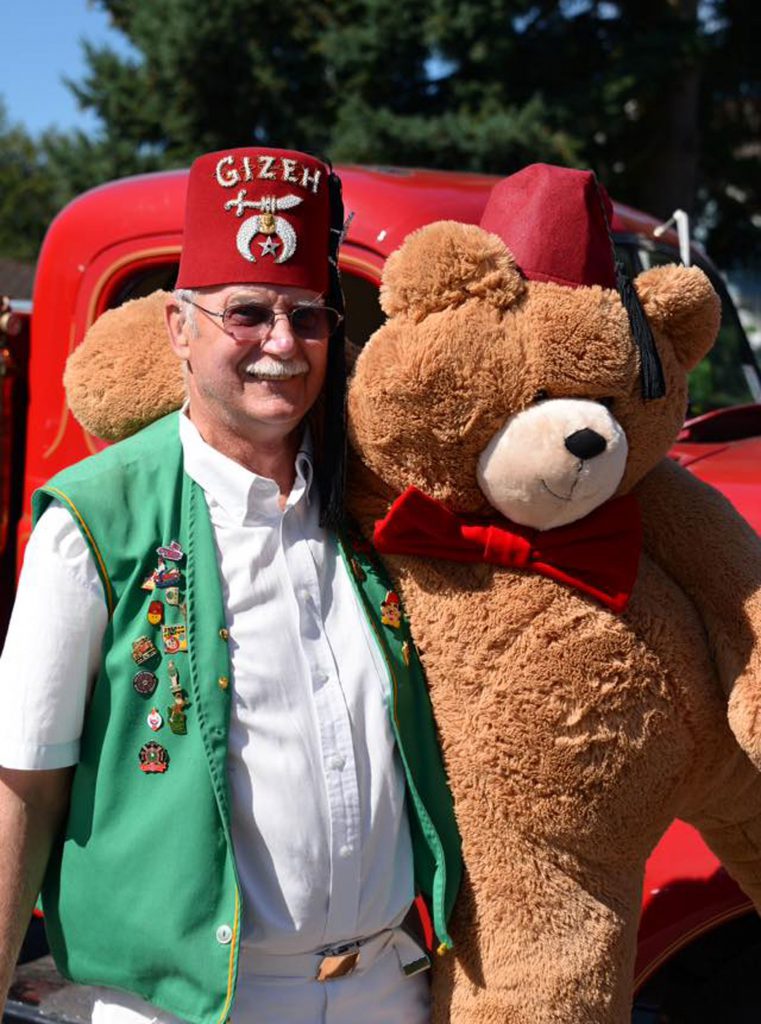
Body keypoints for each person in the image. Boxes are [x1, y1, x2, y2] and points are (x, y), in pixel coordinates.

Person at [0, 147, 460, 1024]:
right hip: (186, 1006)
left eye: (308, 317)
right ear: (179, 326)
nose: (282, 346)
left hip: (387, 989)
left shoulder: (372, 506)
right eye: (247, 314)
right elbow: (24, 781)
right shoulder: (96, 520)